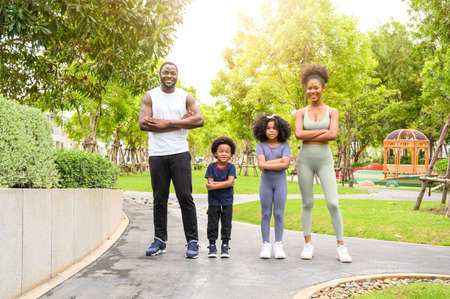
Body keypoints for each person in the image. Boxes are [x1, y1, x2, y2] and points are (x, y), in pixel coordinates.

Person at [139, 62, 204, 259]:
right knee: (159, 198)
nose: (169, 75)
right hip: (157, 153)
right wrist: (182, 122)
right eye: (166, 72)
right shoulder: (150, 96)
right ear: (160, 74)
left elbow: (199, 120)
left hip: (179, 152)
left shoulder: (186, 96)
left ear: (177, 75)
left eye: (173, 72)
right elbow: (143, 124)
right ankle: (160, 240)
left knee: (185, 197)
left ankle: (192, 241)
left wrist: (165, 122)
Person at [294, 64, 352, 263]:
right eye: (309, 88)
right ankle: (308, 244)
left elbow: (334, 134)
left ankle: (341, 246)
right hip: (305, 160)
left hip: (325, 160)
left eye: (316, 87)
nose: (313, 91)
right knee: (307, 203)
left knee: (333, 203)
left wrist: (311, 134)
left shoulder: (332, 111)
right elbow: (298, 134)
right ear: (306, 89)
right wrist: (322, 133)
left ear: (323, 88)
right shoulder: (300, 113)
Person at [253, 114, 291, 259]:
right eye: (268, 128)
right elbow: (261, 166)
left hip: (280, 183)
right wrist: (279, 161)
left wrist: (269, 163)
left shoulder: (285, 146)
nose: (271, 131)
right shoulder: (260, 146)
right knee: (266, 214)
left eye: (274, 128)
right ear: (263, 130)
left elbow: (286, 165)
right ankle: (266, 245)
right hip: (266, 184)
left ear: (280, 130)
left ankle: (279, 244)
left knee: (279, 214)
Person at [205, 137, 237, 258]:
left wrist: (215, 185)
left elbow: (229, 183)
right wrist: (226, 184)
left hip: (227, 201)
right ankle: (212, 245)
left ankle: (225, 245)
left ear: (231, 154)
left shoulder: (231, 167)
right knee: (212, 223)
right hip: (213, 201)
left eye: (227, 151)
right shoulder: (211, 167)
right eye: (221, 151)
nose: (224, 154)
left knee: (226, 223)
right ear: (215, 153)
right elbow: (210, 185)